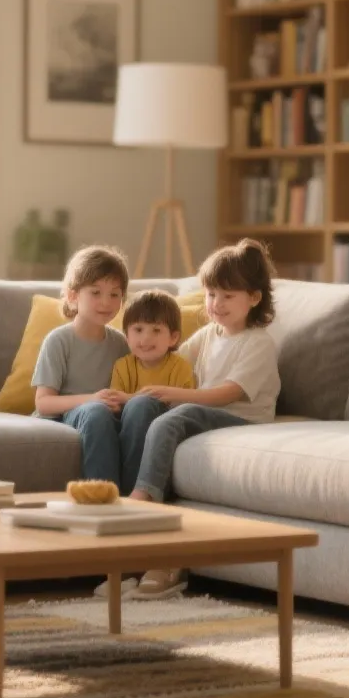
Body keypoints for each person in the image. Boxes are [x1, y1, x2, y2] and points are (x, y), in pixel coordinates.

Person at [122, 239, 281, 600]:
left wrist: (173, 395)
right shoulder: (210, 334)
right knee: (153, 412)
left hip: (242, 422)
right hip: (206, 416)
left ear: (254, 298)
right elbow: (172, 360)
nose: (215, 305)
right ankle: (145, 554)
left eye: (227, 296)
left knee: (173, 419)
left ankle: (142, 497)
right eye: (210, 295)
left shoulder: (258, 343)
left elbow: (226, 394)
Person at [31, 245, 133, 483]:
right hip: (61, 417)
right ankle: (102, 497)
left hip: (101, 414)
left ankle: (137, 495)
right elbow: (44, 403)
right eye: (95, 292)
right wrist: (92, 399)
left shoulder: (120, 344)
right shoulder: (58, 340)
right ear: (73, 296)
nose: (106, 302)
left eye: (115, 294)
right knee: (97, 412)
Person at [109, 290, 196, 395]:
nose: (146, 338)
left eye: (156, 330)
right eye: (138, 330)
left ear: (173, 338)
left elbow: (184, 405)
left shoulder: (181, 368)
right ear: (127, 336)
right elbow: (116, 402)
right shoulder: (122, 367)